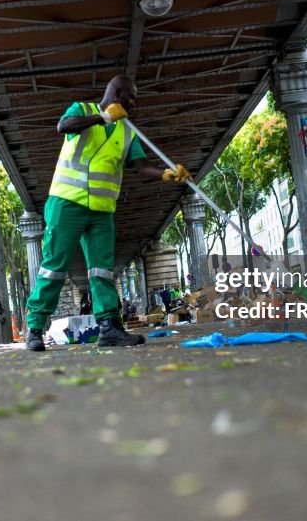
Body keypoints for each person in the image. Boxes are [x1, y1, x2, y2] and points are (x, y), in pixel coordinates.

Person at [24, 74, 191, 351]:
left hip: (102, 211)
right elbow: (63, 126)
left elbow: (139, 165)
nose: (134, 103)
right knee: (54, 267)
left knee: (102, 270)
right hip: (67, 201)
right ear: (116, 92)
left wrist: (166, 174)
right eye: (131, 96)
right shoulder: (83, 110)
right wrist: (103, 117)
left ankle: (109, 328)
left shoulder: (127, 131)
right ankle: (35, 328)